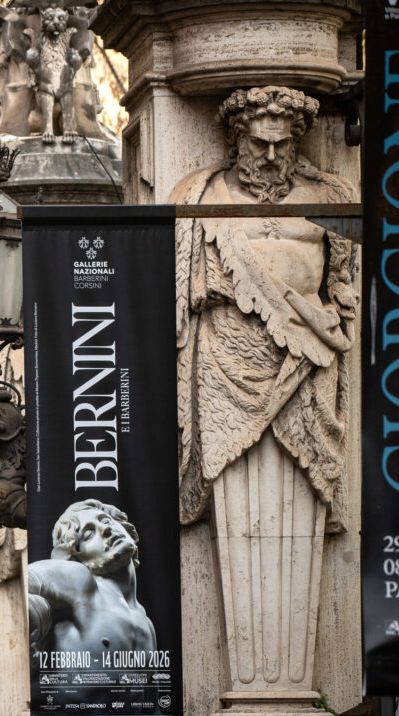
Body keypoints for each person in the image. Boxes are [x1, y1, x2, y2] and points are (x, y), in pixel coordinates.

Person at [172, 86, 357, 531]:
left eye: (283, 144)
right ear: (238, 140)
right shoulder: (203, 195)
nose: (272, 155)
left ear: (296, 142)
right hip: (227, 357)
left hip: (310, 354)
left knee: (305, 496)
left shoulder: (332, 195)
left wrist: (333, 308)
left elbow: (342, 282)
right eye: (259, 143)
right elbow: (188, 284)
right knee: (233, 494)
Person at [27, 499, 155, 655]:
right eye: (88, 534)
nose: (106, 528)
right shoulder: (80, 580)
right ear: (76, 559)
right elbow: (23, 583)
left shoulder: (147, 624)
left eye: (106, 520)